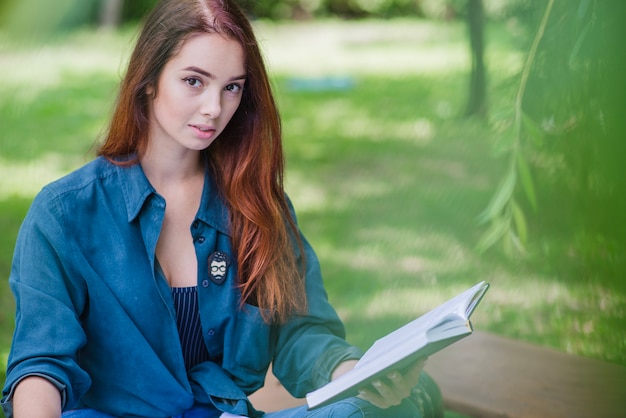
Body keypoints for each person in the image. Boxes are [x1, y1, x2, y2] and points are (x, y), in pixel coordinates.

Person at [1, 0, 443, 417]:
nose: (214, 109)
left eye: (232, 88)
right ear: (149, 79)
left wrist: (356, 376)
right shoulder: (63, 214)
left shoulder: (258, 205)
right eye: (194, 81)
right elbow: (40, 363)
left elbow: (300, 332)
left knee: (399, 405)